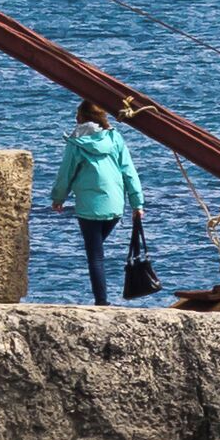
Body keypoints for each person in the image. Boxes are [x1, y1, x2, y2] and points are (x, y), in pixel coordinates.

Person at [47, 100, 146, 305]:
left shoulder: (76, 144)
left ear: (82, 118)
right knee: (97, 249)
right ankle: (104, 297)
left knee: (95, 256)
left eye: (77, 116)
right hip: (115, 205)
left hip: (89, 207)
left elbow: (66, 174)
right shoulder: (115, 138)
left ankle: (101, 302)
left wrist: (58, 198)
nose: (75, 119)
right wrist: (137, 203)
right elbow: (129, 171)